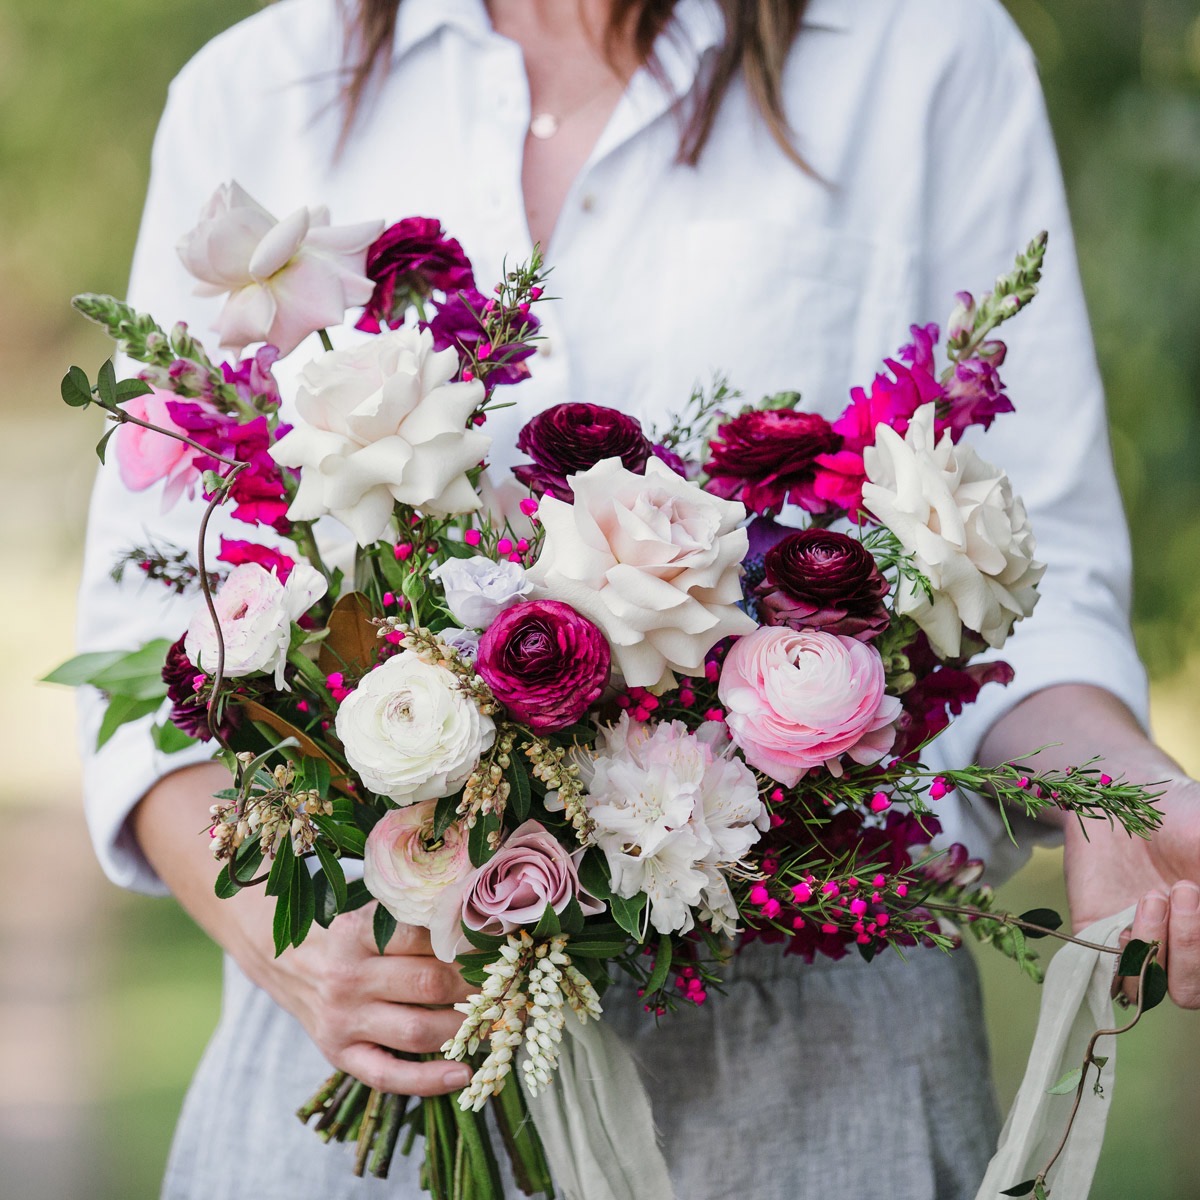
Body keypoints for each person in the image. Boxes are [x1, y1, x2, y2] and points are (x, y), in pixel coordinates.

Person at [76, 1, 1200, 1197]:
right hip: (382, 1046)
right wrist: (295, 948)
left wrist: (1114, 794)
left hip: (814, 1079)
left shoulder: (926, 53)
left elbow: (1036, 584)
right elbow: (157, 634)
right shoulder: (257, 84)